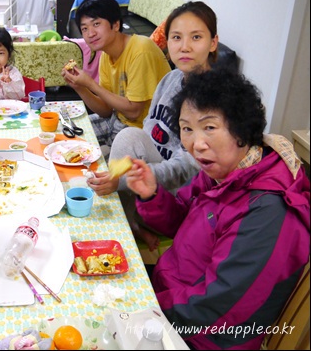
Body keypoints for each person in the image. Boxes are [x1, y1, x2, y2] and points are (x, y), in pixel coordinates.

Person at [126, 69, 310, 350]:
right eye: (187, 128)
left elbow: (217, 304)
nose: (196, 144)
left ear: (241, 129)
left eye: (209, 127)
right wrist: (151, 195)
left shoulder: (268, 210)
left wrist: (143, 307)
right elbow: (180, 220)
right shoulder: (222, 173)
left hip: (204, 336)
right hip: (171, 294)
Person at [87, 1, 219, 251]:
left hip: (180, 194)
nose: (185, 46)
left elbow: (187, 168)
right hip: (153, 171)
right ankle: (131, 224)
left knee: (121, 150)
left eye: (196, 37)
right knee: (113, 148)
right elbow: (149, 125)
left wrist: (125, 179)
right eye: (176, 37)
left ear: (213, 43)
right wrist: (130, 168)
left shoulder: (214, 98)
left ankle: (125, 229)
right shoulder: (171, 79)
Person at [61, 0, 171, 154]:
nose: (90, 33)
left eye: (96, 24)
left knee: (87, 163)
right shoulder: (106, 55)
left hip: (142, 132)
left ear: (116, 25)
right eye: (84, 28)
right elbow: (106, 110)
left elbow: (134, 112)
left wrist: (91, 83)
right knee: (63, 135)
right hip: (117, 119)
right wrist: (80, 87)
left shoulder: (141, 50)